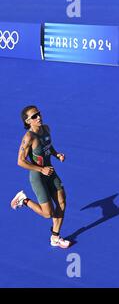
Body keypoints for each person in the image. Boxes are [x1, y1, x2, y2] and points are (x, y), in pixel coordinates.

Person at [10, 105, 71, 248]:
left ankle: (55, 237)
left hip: (50, 172)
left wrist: (57, 155)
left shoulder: (46, 129)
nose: (39, 117)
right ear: (27, 121)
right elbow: (20, 161)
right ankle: (24, 200)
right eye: (34, 116)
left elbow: (48, 146)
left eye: (38, 114)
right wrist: (41, 169)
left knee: (62, 201)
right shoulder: (29, 137)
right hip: (38, 176)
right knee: (47, 214)